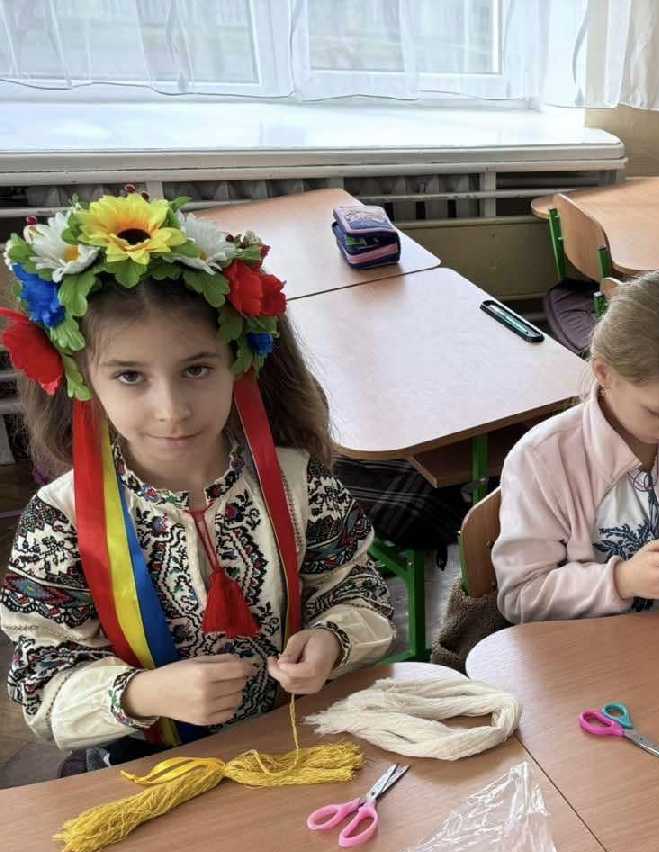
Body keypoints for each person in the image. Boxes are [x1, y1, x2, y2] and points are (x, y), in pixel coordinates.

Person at [0, 192, 393, 763]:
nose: (172, 410)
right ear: (83, 380)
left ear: (239, 362)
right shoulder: (60, 521)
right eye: (130, 376)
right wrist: (142, 693)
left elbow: (360, 589)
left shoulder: (299, 484)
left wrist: (332, 640)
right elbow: (39, 678)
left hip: (295, 739)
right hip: (150, 762)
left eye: (197, 369)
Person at [493, 269, 659, 623]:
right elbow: (520, 596)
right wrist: (622, 580)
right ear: (604, 373)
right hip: (588, 645)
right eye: (658, 411)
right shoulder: (541, 460)